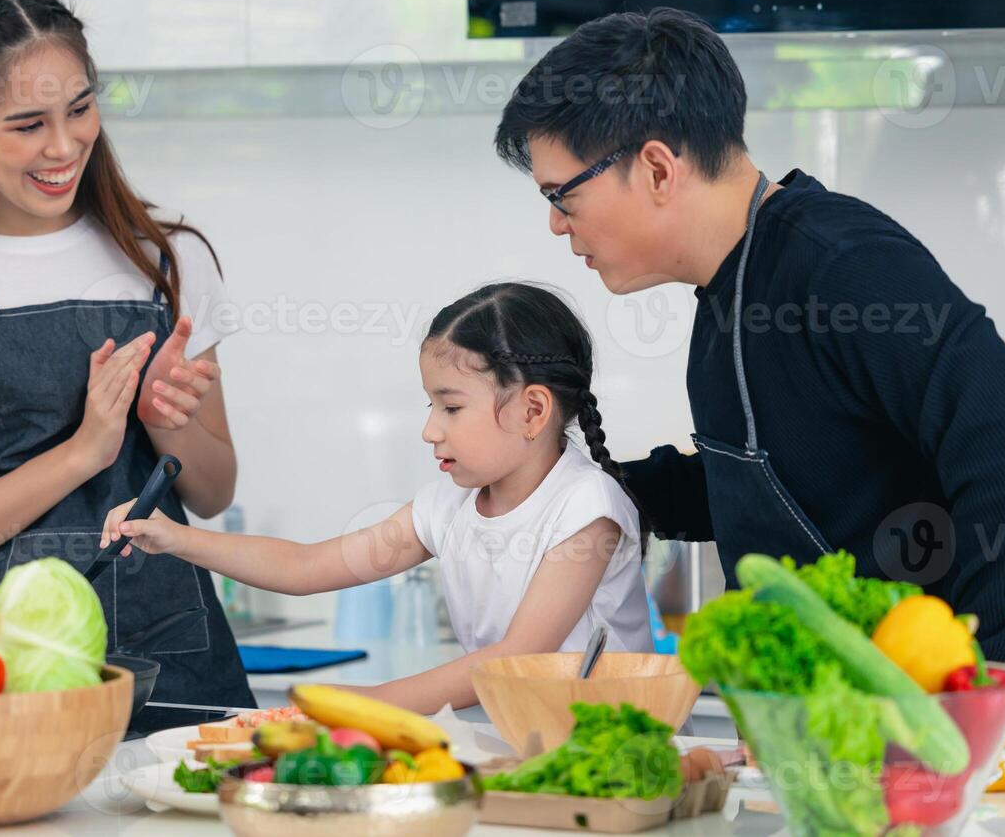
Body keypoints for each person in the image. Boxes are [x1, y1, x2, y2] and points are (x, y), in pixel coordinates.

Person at [492, 8, 1005, 748]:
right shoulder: (728, 296)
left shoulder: (842, 264)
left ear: (657, 168)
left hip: (926, 752)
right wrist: (575, 493)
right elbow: (777, 481)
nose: (556, 224)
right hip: (830, 745)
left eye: (559, 194)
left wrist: (969, 706)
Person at [0, 0, 254, 715]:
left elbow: (214, 490)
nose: (64, 146)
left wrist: (164, 416)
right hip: (2, 679)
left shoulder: (169, 260)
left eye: (79, 109)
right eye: (27, 124)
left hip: (177, 664)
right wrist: (82, 452)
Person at [100, 283, 654, 714]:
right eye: (429, 406)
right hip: (529, 742)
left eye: (451, 408)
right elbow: (305, 566)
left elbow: (517, 657)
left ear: (532, 411)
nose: (430, 431)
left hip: (627, 753)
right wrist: (176, 538)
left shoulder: (586, 507)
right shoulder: (447, 507)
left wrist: (368, 703)